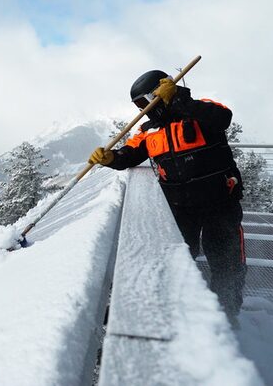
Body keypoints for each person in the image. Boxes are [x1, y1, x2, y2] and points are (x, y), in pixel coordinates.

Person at [89, 70, 246, 327]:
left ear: (158, 95)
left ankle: (226, 318)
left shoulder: (200, 111)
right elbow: (128, 155)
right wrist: (110, 159)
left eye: (145, 101)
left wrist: (179, 100)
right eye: (138, 105)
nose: (144, 108)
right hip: (181, 208)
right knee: (178, 259)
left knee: (226, 262)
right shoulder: (149, 131)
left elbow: (223, 118)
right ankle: (180, 313)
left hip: (221, 202)